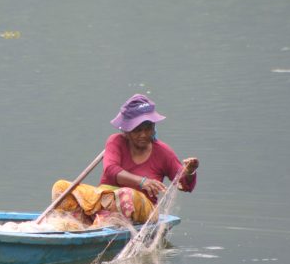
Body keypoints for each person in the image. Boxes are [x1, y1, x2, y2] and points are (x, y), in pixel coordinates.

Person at [52, 94, 199, 224]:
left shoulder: (163, 151)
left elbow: (183, 184)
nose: (143, 134)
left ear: (154, 128)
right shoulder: (115, 141)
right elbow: (111, 170)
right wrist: (142, 181)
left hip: (142, 208)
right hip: (105, 200)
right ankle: (83, 223)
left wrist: (189, 171)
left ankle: (100, 224)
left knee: (126, 195)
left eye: (148, 128)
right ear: (126, 131)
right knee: (61, 187)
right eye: (137, 130)